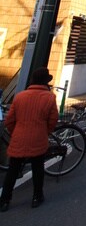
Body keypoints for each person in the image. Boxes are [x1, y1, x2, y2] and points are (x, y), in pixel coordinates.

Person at [0, 67, 59, 212]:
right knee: (38, 168)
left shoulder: (20, 96)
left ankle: (5, 200)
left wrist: (17, 131)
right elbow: (53, 120)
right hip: (38, 138)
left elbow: (9, 120)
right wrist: (44, 131)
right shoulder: (50, 98)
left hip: (19, 137)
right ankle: (36, 197)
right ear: (46, 82)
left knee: (13, 170)